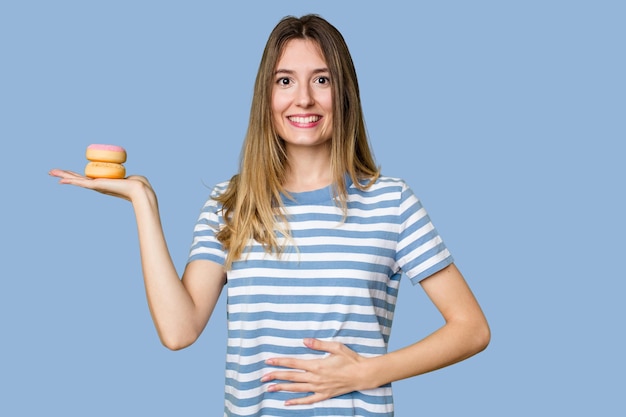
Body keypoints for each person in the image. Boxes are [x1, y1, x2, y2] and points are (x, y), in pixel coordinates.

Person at [50, 14, 490, 417]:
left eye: (322, 79)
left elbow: (471, 328)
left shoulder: (391, 202)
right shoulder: (231, 201)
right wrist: (143, 202)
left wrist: (367, 373)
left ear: (345, 92)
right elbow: (178, 330)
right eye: (285, 81)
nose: (303, 99)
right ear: (266, 94)